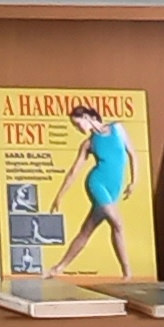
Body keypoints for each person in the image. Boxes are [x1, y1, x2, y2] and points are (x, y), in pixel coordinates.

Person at [45, 103, 134, 277]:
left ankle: (58, 268)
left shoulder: (117, 128)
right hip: (97, 184)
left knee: (86, 231)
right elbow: (73, 172)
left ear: (86, 117)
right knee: (117, 223)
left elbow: (132, 154)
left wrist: (133, 181)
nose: (78, 129)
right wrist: (59, 196)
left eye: (78, 124)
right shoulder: (88, 143)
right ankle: (127, 273)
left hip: (114, 188)